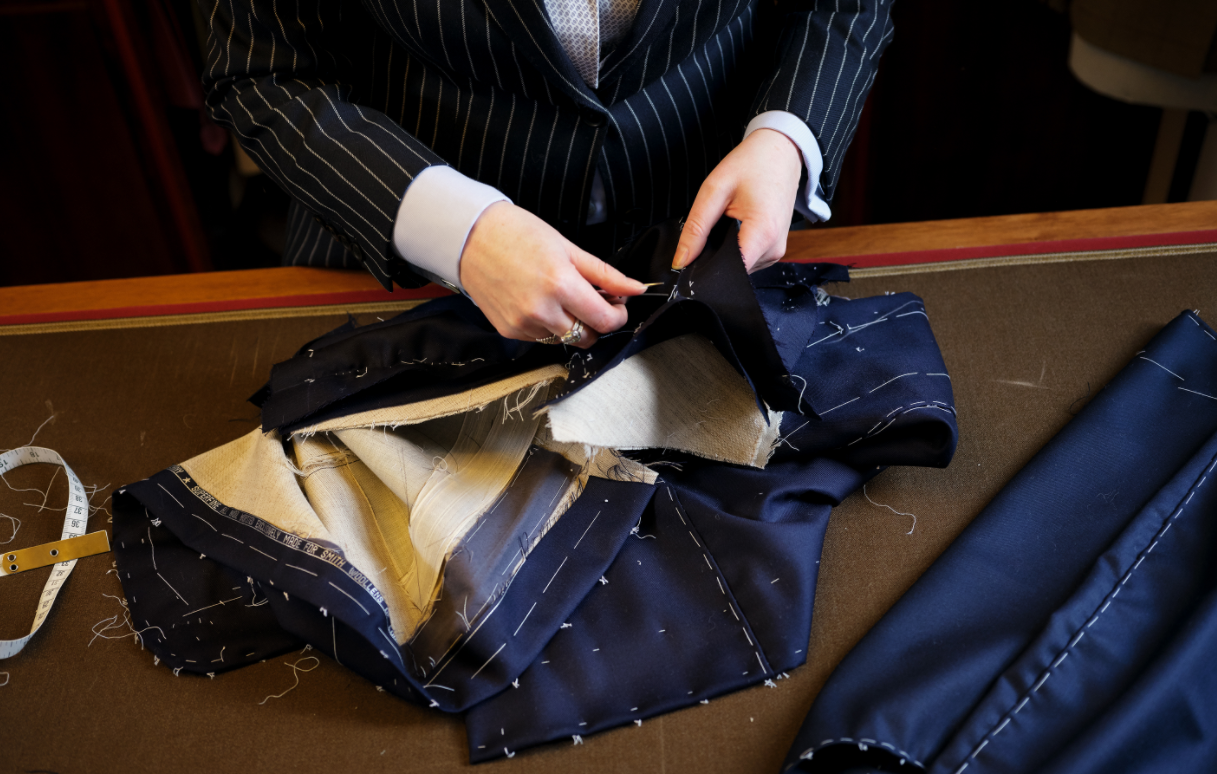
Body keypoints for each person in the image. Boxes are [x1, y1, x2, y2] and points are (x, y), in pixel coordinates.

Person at [201, 0, 892, 347]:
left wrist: (786, 135)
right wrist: (460, 232)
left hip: (713, 231)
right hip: (399, 261)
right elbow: (263, 73)